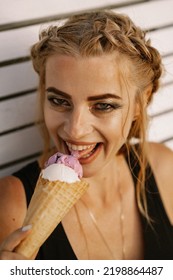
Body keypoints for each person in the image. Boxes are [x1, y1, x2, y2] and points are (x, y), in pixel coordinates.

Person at [0, 10, 173, 260]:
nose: (75, 130)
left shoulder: (163, 167)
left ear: (139, 103)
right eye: (59, 100)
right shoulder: (12, 203)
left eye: (103, 105)